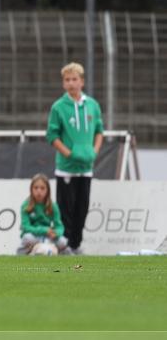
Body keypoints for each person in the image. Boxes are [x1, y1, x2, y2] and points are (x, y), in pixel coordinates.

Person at [45, 62, 103, 255]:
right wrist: (70, 154)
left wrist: (93, 151)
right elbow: (52, 136)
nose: (71, 83)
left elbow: (99, 131)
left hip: (86, 167)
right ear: (63, 84)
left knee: (82, 209)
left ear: (82, 81)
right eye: (67, 80)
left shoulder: (92, 105)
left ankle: (76, 245)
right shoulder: (58, 107)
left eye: (74, 79)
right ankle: (65, 245)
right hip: (66, 168)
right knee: (65, 210)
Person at [17, 173, 68, 255]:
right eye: (36, 188)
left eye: (42, 188)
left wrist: (56, 233)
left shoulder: (53, 206)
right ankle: (21, 257)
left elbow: (59, 226)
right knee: (27, 238)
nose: (39, 191)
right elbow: (25, 227)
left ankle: (66, 260)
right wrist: (44, 230)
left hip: (49, 237)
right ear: (31, 189)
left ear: (47, 190)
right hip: (34, 236)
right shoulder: (26, 205)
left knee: (63, 241)